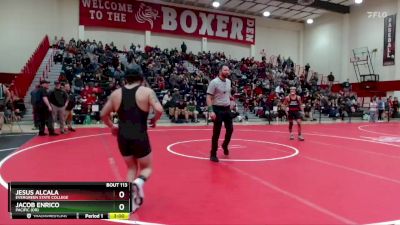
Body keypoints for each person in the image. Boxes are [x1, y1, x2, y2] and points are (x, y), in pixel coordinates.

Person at [100, 65, 163, 212]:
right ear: (141, 78)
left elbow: (103, 113)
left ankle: (128, 201)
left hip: (123, 136)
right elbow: (159, 109)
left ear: (125, 79)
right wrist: (154, 119)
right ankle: (138, 183)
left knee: (131, 168)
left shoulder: (116, 94)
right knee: (146, 168)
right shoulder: (146, 91)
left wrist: (111, 126)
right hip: (139, 135)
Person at [207, 64, 234, 162]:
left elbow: (227, 93)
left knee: (230, 130)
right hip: (217, 109)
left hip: (227, 109)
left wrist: (231, 100)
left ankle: (225, 145)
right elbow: (208, 97)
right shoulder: (214, 82)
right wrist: (211, 111)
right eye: (225, 70)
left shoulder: (229, 81)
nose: (227, 72)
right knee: (216, 133)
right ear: (220, 71)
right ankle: (213, 154)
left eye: (228, 70)